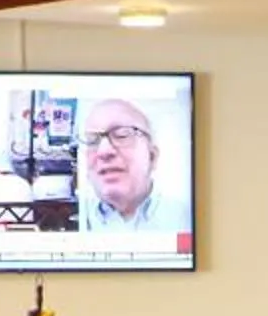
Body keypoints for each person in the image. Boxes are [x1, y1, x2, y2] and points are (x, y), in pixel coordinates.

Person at [76, 99, 190, 236]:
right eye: (91, 141)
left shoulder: (187, 219)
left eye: (122, 135)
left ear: (152, 156)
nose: (103, 151)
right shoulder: (71, 220)